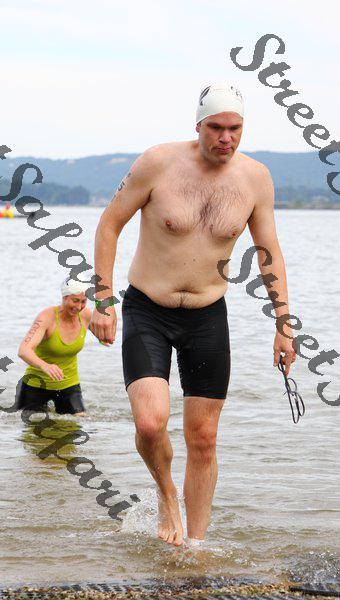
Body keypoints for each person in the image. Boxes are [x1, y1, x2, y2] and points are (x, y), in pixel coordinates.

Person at [89, 82, 296, 548]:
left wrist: (284, 326)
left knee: (203, 437)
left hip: (207, 314)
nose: (226, 137)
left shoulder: (256, 178)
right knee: (150, 423)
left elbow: (269, 254)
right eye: (216, 127)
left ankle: (196, 548)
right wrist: (103, 300)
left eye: (235, 128)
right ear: (198, 125)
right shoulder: (158, 162)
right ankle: (167, 496)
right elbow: (109, 224)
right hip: (148, 308)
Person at [16, 278, 92, 416]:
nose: (79, 306)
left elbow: (103, 330)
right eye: (75, 300)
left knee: (79, 422)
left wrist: (105, 336)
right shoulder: (46, 318)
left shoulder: (85, 315)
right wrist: (45, 366)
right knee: (33, 426)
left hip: (69, 384)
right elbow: (24, 350)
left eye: (83, 301)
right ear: (64, 297)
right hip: (36, 385)